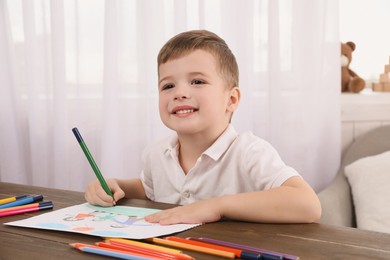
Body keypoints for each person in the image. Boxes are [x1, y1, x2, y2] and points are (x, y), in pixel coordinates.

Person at [85, 30, 321, 225]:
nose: (179, 93)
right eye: (168, 86)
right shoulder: (155, 154)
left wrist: (216, 206)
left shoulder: (250, 152)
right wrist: (117, 186)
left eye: (197, 81)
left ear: (231, 99)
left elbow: (308, 204)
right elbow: (150, 189)